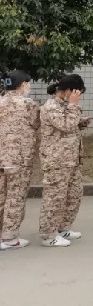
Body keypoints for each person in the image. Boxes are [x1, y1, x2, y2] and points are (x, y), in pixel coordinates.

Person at [39, 74, 90, 247]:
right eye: (77, 93)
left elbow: (70, 123)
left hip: (71, 159)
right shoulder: (51, 106)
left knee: (73, 195)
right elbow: (65, 125)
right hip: (57, 160)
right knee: (55, 198)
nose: (78, 97)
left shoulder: (65, 105)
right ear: (68, 91)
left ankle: (62, 228)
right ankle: (48, 235)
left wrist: (80, 121)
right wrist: (74, 106)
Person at [0, 70, 39, 250]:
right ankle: (9, 237)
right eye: (27, 83)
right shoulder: (27, 104)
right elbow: (37, 124)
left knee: (2, 196)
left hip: (2, 157)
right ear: (23, 84)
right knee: (15, 198)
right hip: (19, 159)